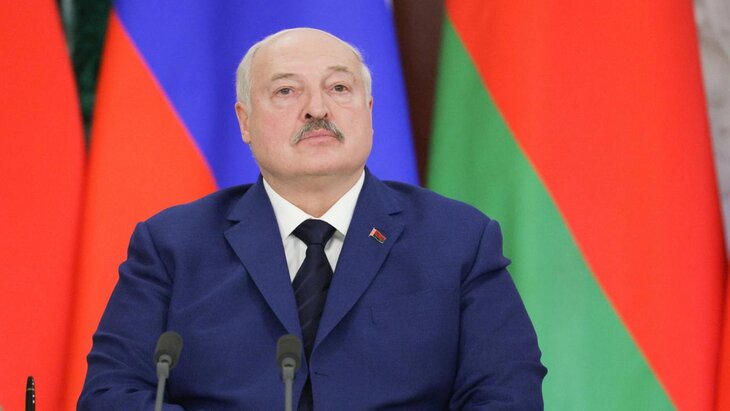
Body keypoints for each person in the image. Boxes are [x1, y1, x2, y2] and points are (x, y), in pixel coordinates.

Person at [78, 28, 546, 410]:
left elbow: (507, 394)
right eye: (286, 91)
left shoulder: (458, 240)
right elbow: (111, 394)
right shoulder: (172, 246)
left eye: (339, 88)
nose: (318, 109)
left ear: (369, 112)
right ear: (245, 122)